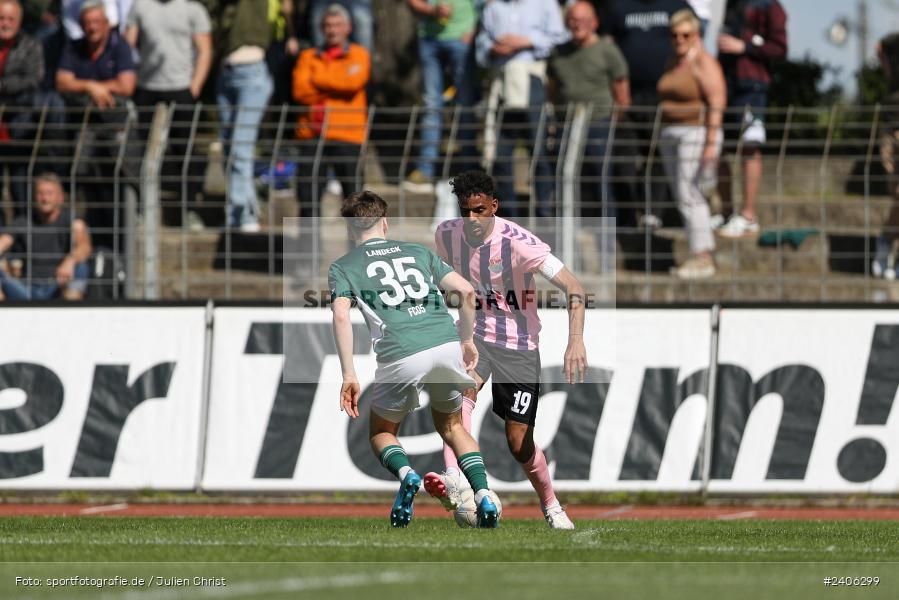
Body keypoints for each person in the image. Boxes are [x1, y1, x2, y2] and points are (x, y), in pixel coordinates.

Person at [426, 170, 587, 530]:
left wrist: (575, 339)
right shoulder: (446, 234)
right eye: (466, 211)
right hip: (476, 337)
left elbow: (573, 287)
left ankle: (551, 505)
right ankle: (454, 478)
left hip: (519, 347)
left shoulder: (518, 242)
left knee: (518, 443)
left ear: (494, 207)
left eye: (479, 211)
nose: (472, 220)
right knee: (456, 396)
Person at [330, 190, 501, 528]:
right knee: (452, 426)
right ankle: (482, 494)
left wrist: (349, 373)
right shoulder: (417, 251)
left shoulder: (344, 266)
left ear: (351, 231)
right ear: (385, 223)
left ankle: (408, 474)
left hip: (401, 351)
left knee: (381, 431)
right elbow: (467, 292)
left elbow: (340, 317)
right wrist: (466, 339)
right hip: (444, 342)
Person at [602, 0, 690, 228]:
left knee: (659, 155)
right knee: (624, 158)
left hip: (664, 95)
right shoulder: (619, 7)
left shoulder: (676, 5)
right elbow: (607, 44)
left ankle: (653, 213)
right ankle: (629, 214)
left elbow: (691, 39)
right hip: (626, 96)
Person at [55, 0, 136, 249]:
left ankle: (126, 231)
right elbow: (61, 81)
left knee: (120, 180)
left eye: (97, 22)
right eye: (88, 23)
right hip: (84, 126)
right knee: (82, 176)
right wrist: (92, 86)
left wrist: (87, 86)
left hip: (114, 127)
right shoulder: (74, 47)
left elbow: (127, 86)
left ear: (107, 24)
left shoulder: (119, 46)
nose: (92, 28)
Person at [476, 0, 567, 218]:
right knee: (500, 155)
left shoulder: (546, 4)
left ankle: (544, 214)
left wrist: (526, 42)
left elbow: (560, 39)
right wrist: (492, 47)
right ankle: (508, 217)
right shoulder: (493, 7)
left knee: (539, 153)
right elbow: (482, 45)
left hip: (534, 80)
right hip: (503, 83)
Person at [125, 0, 213, 226]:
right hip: (147, 88)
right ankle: (144, 209)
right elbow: (127, 46)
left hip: (182, 89)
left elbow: (205, 49)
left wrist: (194, 88)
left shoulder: (193, 9)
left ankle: (189, 209)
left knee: (184, 152)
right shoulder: (140, 7)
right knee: (144, 152)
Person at [548, 1, 629, 238]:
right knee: (565, 178)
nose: (577, 24)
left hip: (599, 124)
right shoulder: (558, 53)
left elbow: (622, 95)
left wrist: (614, 122)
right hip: (567, 124)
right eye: (572, 19)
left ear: (594, 22)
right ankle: (567, 233)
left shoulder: (607, 51)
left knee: (599, 180)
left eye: (582, 19)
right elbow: (552, 90)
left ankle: (606, 237)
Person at [657, 9, 725, 279]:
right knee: (681, 194)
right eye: (674, 35)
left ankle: (703, 256)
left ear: (697, 35)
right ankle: (698, 251)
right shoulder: (673, 61)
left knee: (689, 193)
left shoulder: (704, 62)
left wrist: (711, 144)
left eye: (685, 34)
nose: (679, 39)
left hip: (696, 132)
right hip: (670, 134)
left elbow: (717, 102)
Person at [715, 0, 787, 238]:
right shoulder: (729, 5)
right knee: (719, 148)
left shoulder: (770, 5)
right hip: (726, 85)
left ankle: (748, 216)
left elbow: (780, 48)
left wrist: (744, 47)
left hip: (752, 88)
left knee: (750, 147)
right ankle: (726, 213)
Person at [292, 3, 369, 223]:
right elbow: (299, 90)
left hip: (347, 135)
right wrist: (337, 85)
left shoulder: (359, 54)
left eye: (337, 25)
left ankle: (359, 256)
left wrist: (317, 79)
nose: (332, 30)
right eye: (327, 25)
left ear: (348, 28)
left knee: (355, 205)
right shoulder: (308, 56)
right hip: (311, 135)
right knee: (308, 202)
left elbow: (353, 83)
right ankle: (309, 256)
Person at [204, 0, 272, 231]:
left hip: (251, 71)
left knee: (240, 148)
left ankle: (243, 215)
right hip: (226, 71)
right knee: (229, 148)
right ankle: (243, 210)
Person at [403, 0, 479, 191]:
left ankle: (471, 168)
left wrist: (472, 32)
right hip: (429, 39)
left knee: (465, 103)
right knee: (431, 104)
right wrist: (431, 10)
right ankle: (426, 169)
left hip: (461, 38)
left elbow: (484, 5)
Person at [0, 172, 92, 300]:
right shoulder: (24, 221)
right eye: (40, 193)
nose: (44, 198)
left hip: (57, 286)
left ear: (60, 197)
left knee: (81, 267)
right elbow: (3, 242)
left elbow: (84, 247)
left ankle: (71, 312)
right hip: (26, 290)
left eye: (49, 193)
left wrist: (70, 260)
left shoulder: (72, 220)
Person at [0, 0, 47, 225]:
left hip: (20, 130)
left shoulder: (31, 45)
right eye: (1, 18)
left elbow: (34, 80)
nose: (5, 23)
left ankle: (21, 248)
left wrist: (4, 86)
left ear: (19, 21)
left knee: (22, 192)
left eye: (10, 19)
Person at [874, 32, 899, 279]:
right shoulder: (894, 40)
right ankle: (886, 242)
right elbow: (879, 47)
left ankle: (887, 242)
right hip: (894, 126)